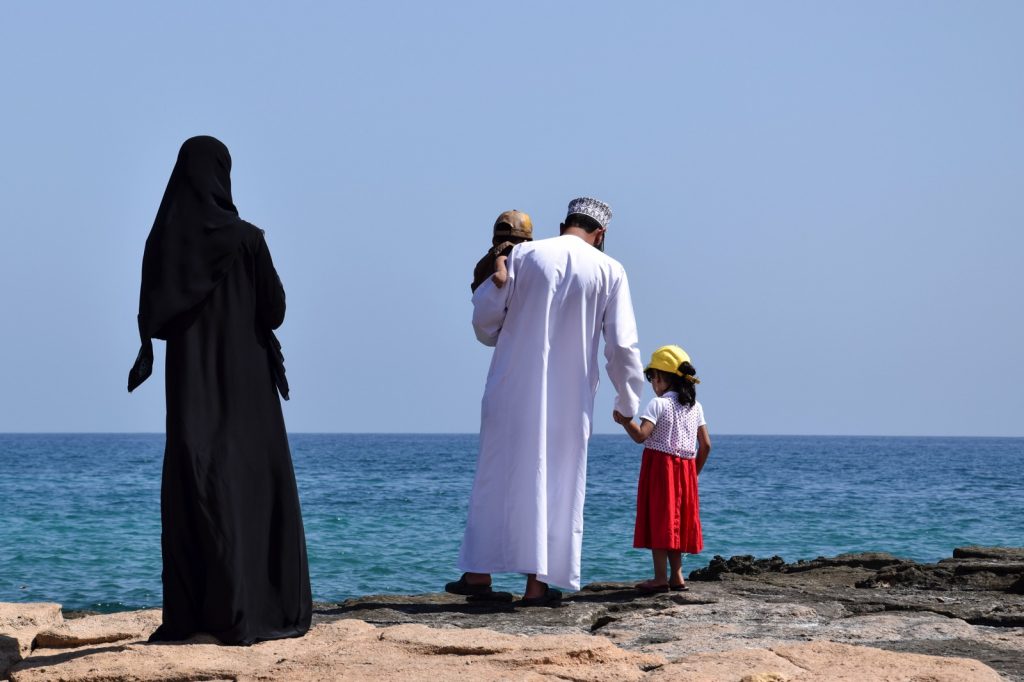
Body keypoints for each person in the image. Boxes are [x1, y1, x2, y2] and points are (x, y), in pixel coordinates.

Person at [128, 136, 312, 644]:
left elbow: (156, 317)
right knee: (251, 486)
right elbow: (273, 311)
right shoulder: (247, 239)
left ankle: (197, 617)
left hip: (191, 389)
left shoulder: (164, 243)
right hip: (249, 386)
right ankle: (255, 611)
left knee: (199, 486)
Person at [448, 197, 645, 606]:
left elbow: (485, 325)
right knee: (556, 483)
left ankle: (478, 575)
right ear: (601, 233)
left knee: (496, 477)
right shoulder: (610, 270)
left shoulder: (524, 254)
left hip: (510, 387)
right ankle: (537, 586)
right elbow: (622, 346)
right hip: (570, 399)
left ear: (563, 223)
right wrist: (628, 402)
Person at [613, 345, 712, 594]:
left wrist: (626, 421)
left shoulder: (658, 404)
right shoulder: (695, 407)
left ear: (660, 378)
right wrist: (693, 474)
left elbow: (641, 436)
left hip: (660, 469)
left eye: (652, 378)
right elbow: (706, 445)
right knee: (676, 521)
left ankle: (660, 578)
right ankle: (677, 576)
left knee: (660, 520)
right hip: (686, 470)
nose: (651, 383)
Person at [470, 209, 533, 292]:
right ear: (525, 239)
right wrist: (501, 272)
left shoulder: (485, 260)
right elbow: (502, 258)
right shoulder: (511, 249)